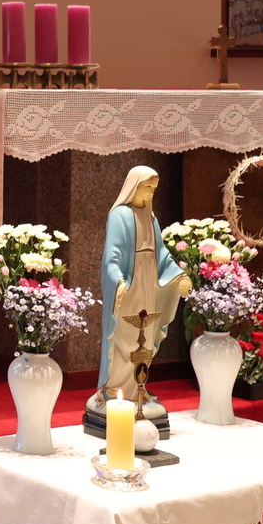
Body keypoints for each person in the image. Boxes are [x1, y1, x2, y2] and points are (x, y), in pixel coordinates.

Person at [87, 166, 192, 423]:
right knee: (125, 336)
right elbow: (112, 255)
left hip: (149, 282)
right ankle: (114, 388)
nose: (150, 193)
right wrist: (118, 281)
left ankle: (137, 389)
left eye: (153, 189)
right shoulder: (120, 215)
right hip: (130, 285)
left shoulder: (151, 218)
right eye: (147, 188)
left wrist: (180, 276)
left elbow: (162, 254)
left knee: (145, 337)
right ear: (134, 186)